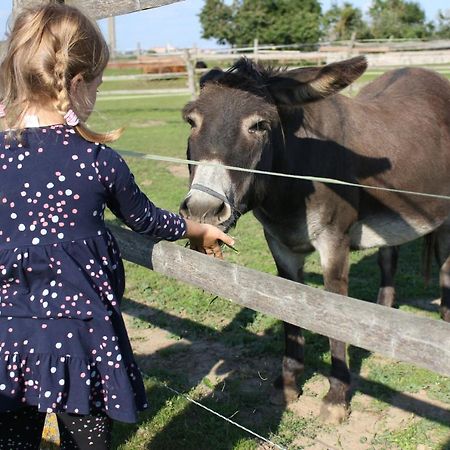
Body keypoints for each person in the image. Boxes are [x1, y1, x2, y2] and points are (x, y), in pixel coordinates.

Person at [0, 3, 234, 449]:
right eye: (99, 84)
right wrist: (194, 229)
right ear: (78, 84)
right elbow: (146, 219)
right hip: (81, 338)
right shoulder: (98, 161)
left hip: (8, 335)